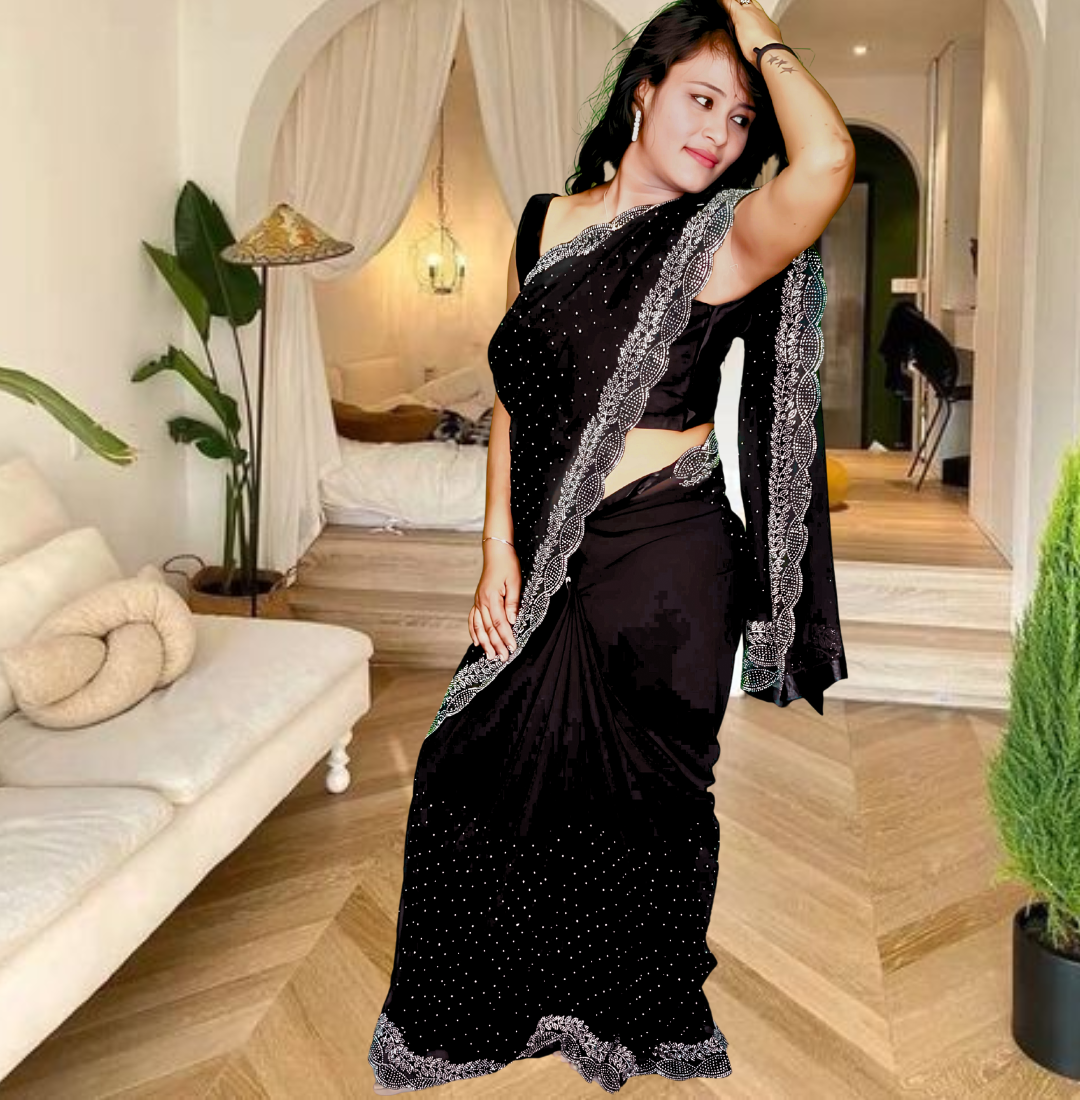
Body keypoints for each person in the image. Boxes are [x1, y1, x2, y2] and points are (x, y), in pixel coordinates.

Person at [369, 0, 852, 1091]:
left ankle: (625, 1008)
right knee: (463, 766)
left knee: (648, 799)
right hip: (545, 555)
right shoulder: (543, 224)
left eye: (739, 118)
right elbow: (511, 395)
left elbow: (825, 158)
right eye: (701, 99)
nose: (720, 132)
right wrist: (495, 546)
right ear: (643, 91)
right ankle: (486, 1004)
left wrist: (751, 22)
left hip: (669, 561)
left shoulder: (719, 238)